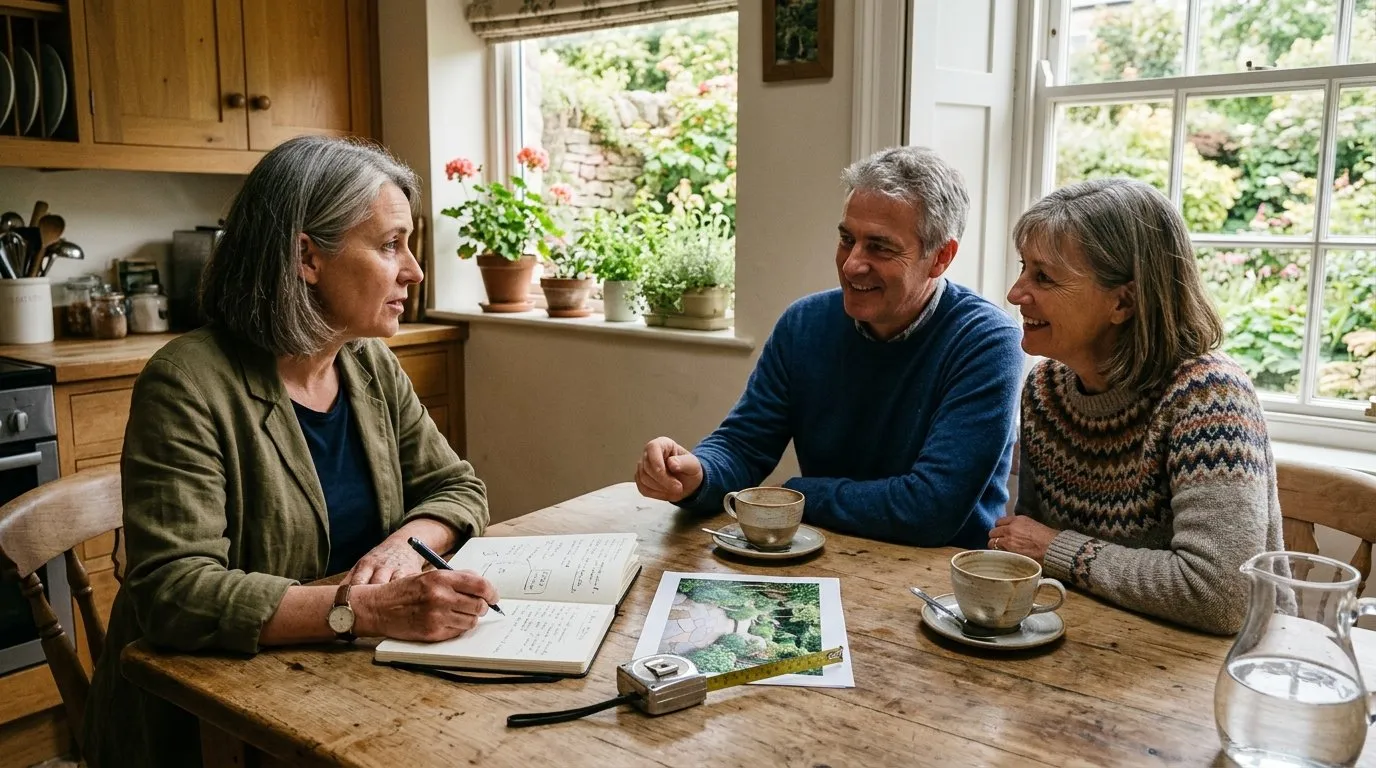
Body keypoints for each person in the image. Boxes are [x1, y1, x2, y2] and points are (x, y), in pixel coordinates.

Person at [84, 136, 500, 767]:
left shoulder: (369, 365)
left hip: (343, 684)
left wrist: (401, 545)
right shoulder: (187, 382)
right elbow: (176, 594)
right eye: (390, 245)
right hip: (213, 721)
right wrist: (365, 609)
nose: (412, 270)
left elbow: (458, 488)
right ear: (307, 257)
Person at [635, 146, 1023, 548]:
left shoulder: (987, 342)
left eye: (880, 247)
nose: (852, 264)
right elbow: (744, 444)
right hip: (826, 561)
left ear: (941, 257)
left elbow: (930, 508)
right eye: (846, 239)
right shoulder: (804, 324)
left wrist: (801, 494)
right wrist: (698, 473)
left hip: (943, 589)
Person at [992, 177, 1283, 635]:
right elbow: (1029, 554)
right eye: (1023, 267)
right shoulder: (1045, 391)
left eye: (1043, 276)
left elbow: (1222, 595)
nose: (1015, 293)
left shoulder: (1210, 399)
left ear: (1123, 301)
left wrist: (1058, 549)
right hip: (1096, 647)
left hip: (1226, 673)